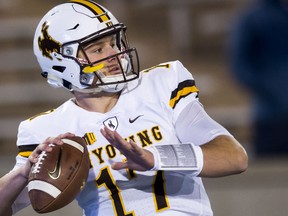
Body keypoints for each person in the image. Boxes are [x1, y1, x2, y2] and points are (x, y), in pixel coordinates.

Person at [0, 1, 248, 216]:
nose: (115, 54)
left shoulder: (161, 84)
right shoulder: (47, 129)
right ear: (61, 62)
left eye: (114, 42)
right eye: (98, 49)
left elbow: (234, 158)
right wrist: (22, 174)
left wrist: (156, 158)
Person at [229, 0, 288, 157]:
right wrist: (271, 90)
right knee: (270, 173)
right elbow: (240, 64)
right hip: (271, 117)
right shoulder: (255, 18)